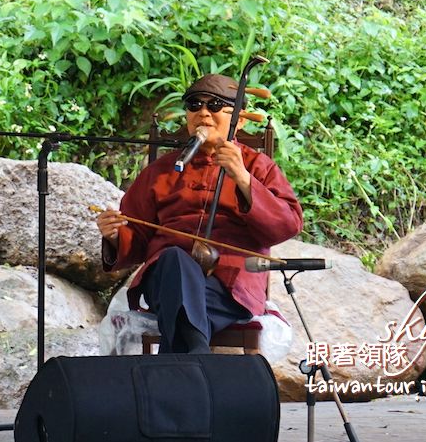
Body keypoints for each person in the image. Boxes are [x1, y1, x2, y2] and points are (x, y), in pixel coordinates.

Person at [95, 73, 302, 354]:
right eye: (194, 105)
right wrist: (116, 235)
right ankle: (197, 360)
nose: (203, 112)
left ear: (239, 120)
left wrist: (242, 178)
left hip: (231, 287)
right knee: (174, 260)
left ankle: (191, 358)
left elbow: (287, 224)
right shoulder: (162, 170)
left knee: (182, 306)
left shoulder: (257, 166)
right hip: (165, 278)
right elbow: (138, 236)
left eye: (215, 105)